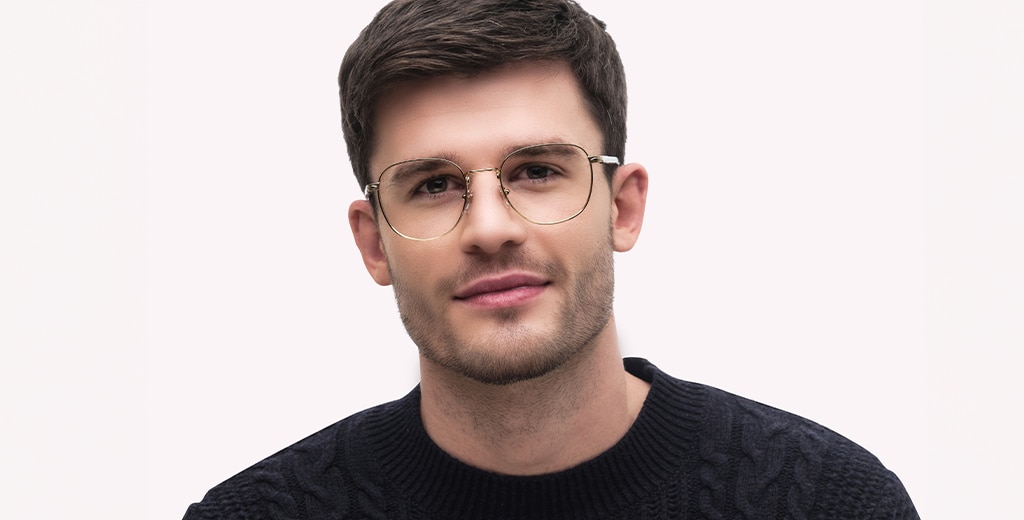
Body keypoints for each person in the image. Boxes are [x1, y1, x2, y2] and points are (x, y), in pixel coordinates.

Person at [183, 0, 919, 518]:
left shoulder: (827, 502)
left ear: (622, 207)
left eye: (537, 170)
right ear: (375, 242)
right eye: (434, 185)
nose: (492, 228)